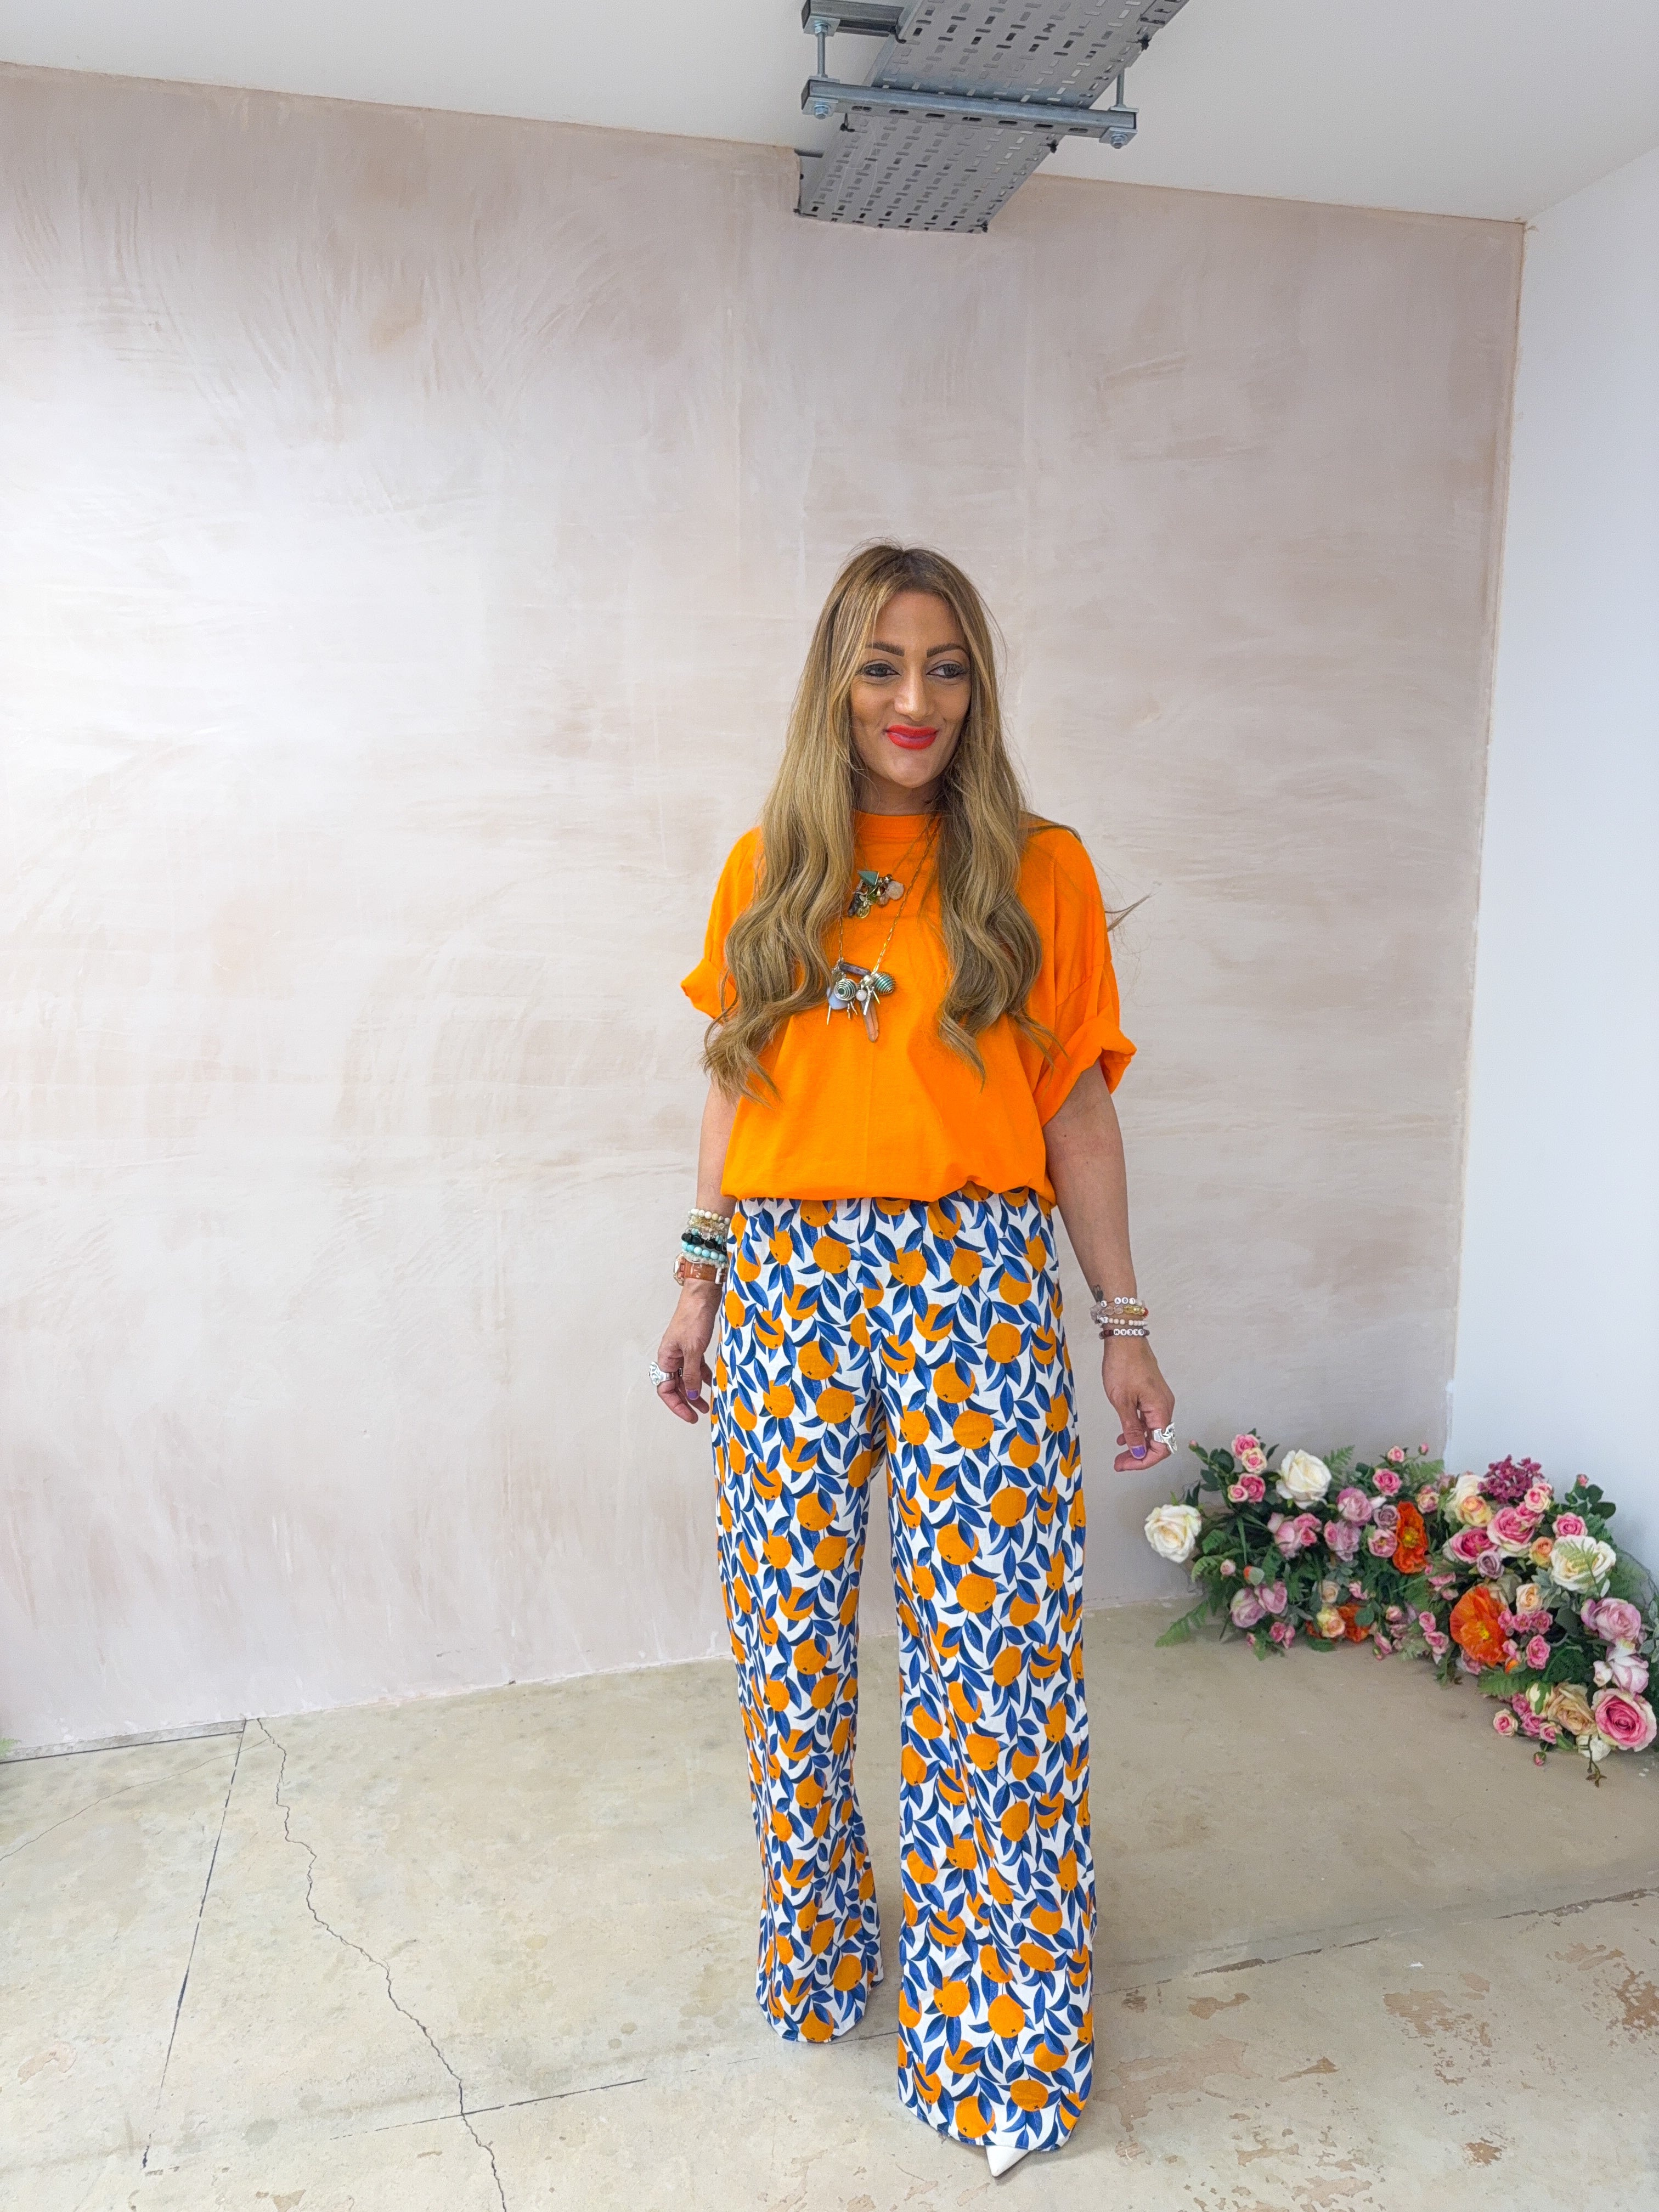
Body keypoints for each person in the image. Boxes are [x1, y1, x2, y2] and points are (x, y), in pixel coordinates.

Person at [651, 543, 1175, 2177]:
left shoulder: (1040, 867)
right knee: (789, 1647)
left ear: (978, 688)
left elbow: (1077, 1110)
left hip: (976, 1281)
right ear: (836, 682)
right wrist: (699, 1278)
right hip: (787, 1283)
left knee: (993, 1660)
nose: (914, 699)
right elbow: (735, 1085)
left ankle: (996, 2030)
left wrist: (1125, 1323)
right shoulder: (767, 870)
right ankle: (822, 1947)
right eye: (882, 664)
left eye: (946, 667)